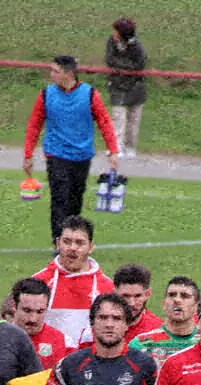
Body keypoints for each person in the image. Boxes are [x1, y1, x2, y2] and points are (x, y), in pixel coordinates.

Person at [23, 55, 121, 245]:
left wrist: (113, 151)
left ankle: (74, 241)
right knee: (60, 198)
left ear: (68, 74)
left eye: (55, 71)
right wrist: (28, 154)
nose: (51, 74)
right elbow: (34, 125)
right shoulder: (46, 94)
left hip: (82, 155)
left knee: (75, 199)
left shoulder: (90, 94)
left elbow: (104, 122)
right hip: (56, 153)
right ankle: (59, 242)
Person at [32, 215, 115, 344]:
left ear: (91, 247)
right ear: (58, 244)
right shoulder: (39, 282)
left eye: (80, 243)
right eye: (67, 241)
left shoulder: (108, 288)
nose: (72, 248)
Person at [105, 18, 147, 159]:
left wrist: (122, 67)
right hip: (117, 84)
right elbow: (110, 60)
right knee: (118, 117)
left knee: (133, 119)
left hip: (136, 86)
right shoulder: (111, 41)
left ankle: (130, 148)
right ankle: (116, 147)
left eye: (116, 31)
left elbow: (139, 64)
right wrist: (124, 66)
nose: (113, 33)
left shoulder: (137, 46)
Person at [113, 263, 162, 343]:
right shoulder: (100, 327)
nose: (132, 303)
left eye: (137, 296)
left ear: (148, 294)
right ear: (115, 293)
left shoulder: (157, 331)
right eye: (125, 296)